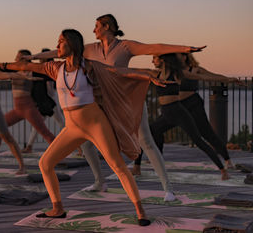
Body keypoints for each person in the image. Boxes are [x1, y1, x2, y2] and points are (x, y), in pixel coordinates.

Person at [23, 14, 206, 201]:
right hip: (102, 104)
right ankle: (99, 181)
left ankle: (168, 188)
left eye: (96, 26)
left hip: (125, 102)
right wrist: (34, 57)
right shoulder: (90, 49)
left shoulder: (125, 46)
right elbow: (57, 53)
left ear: (107, 26)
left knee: (146, 141)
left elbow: (153, 47)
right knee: (85, 142)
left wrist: (185, 48)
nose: (93, 30)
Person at [0, 29, 163, 226]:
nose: (57, 46)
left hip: (96, 124)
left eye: (61, 41)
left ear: (72, 43)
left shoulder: (89, 67)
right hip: (72, 128)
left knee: (118, 166)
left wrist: (147, 74)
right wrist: (2, 65)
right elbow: (24, 65)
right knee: (45, 164)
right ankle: (58, 208)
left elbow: (118, 72)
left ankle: (141, 211)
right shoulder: (55, 68)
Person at [135, 53, 230, 180]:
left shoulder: (178, 74)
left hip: (179, 112)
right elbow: (133, 71)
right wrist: (110, 70)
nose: (152, 61)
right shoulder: (154, 74)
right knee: (145, 135)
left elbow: (204, 77)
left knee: (199, 140)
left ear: (163, 60)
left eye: (155, 58)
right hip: (166, 113)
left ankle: (223, 170)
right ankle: (137, 167)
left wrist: (229, 80)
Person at [0, 50, 56, 162]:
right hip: (17, 110)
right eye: (16, 57)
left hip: (28, 108)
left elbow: (47, 77)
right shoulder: (12, 70)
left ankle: (59, 155)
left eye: (18, 58)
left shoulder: (31, 71)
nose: (15, 60)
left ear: (25, 59)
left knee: (45, 133)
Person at [178, 53, 242, 169]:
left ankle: (227, 160)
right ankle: (155, 158)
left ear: (185, 57)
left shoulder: (195, 70)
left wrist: (228, 80)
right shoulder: (172, 71)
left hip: (193, 103)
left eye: (179, 55)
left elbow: (211, 76)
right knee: (157, 129)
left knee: (206, 132)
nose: (176, 57)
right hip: (176, 106)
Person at [22, 51, 65, 154]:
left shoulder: (47, 73)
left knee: (62, 124)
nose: (40, 59)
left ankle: (79, 147)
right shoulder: (44, 72)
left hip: (48, 103)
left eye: (42, 58)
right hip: (45, 103)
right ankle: (29, 146)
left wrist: (48, 101)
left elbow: (50, 91)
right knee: (39, 125)